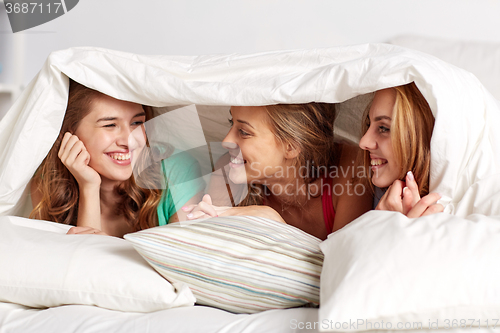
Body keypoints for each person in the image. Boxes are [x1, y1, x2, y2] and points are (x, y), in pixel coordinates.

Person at [30, 80, 204, 237]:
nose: (129, 140)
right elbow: (83, 266)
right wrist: (89, 187)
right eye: (110, 125)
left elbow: (177, 262)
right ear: (69, 133)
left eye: (137, 123)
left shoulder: (177, 171)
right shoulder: (47, 184)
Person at [183, 103, 373, 240]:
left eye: (244, 132)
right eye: (231, 123)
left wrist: (271, 222)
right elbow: (213, 255)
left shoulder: (350, 168)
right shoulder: (228, 170)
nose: (225, 140)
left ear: (291, 146)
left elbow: (341, 268)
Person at [358, 82, 444, 217]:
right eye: (369, 124)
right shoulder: (376, 193)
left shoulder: (444, 215)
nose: (363, 142)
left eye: (384, 128)